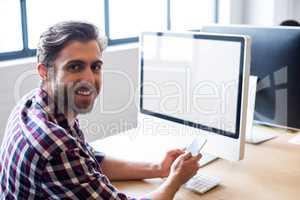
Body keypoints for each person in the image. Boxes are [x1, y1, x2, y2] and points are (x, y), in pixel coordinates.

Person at [0, 21, 201, 199]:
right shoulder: (55, 145)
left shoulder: (36, 104)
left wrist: (159, 169)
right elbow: (69, 157)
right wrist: (174, 181)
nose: (89, 78)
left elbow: (89, 160)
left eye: (95, 67)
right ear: (44, 71)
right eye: (75, 67)